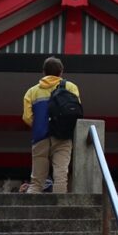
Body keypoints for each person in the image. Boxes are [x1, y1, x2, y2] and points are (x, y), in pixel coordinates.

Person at [22, 56, 82, 194]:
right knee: (61, 177)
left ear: (44, 72)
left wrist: (39, 126)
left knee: (37, 181)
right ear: (61, 72)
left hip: (40, 137)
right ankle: (60, 212)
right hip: (63, 136)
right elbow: (76, 112)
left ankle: (31, 209)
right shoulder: (71, 87)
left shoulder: (32, 91)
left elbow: (27, 117)